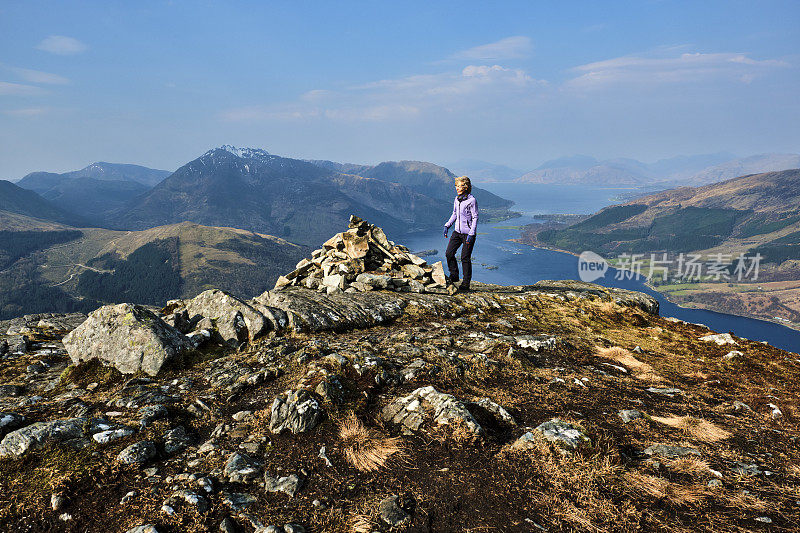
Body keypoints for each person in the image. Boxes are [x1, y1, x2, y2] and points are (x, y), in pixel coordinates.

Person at [443, 176, 478, 292]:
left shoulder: (471, 201)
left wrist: (471, 234)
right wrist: (447, 225)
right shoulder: (457, 199)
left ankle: (466, 283)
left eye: (460, 186)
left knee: (465, 258)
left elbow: (475, 217)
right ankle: (454, 275)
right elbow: (454, 214)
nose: (457, 188)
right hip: (457, 232)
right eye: (456, 186)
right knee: (449, 253)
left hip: (468, 234)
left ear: (466, 187)